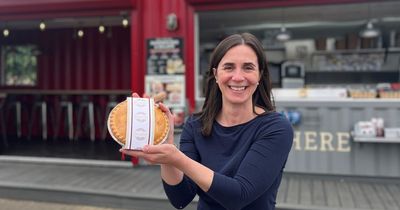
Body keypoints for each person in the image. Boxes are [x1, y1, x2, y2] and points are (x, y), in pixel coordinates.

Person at [121, 33, 293, 210]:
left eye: (248, 68)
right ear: (216, 74)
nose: (238, 77)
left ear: (260, 75)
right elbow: (181, 198)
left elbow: (239, 196)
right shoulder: (196, 125)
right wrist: (167, 153)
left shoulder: (275, 127)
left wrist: (177, 158)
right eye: (229, 67)